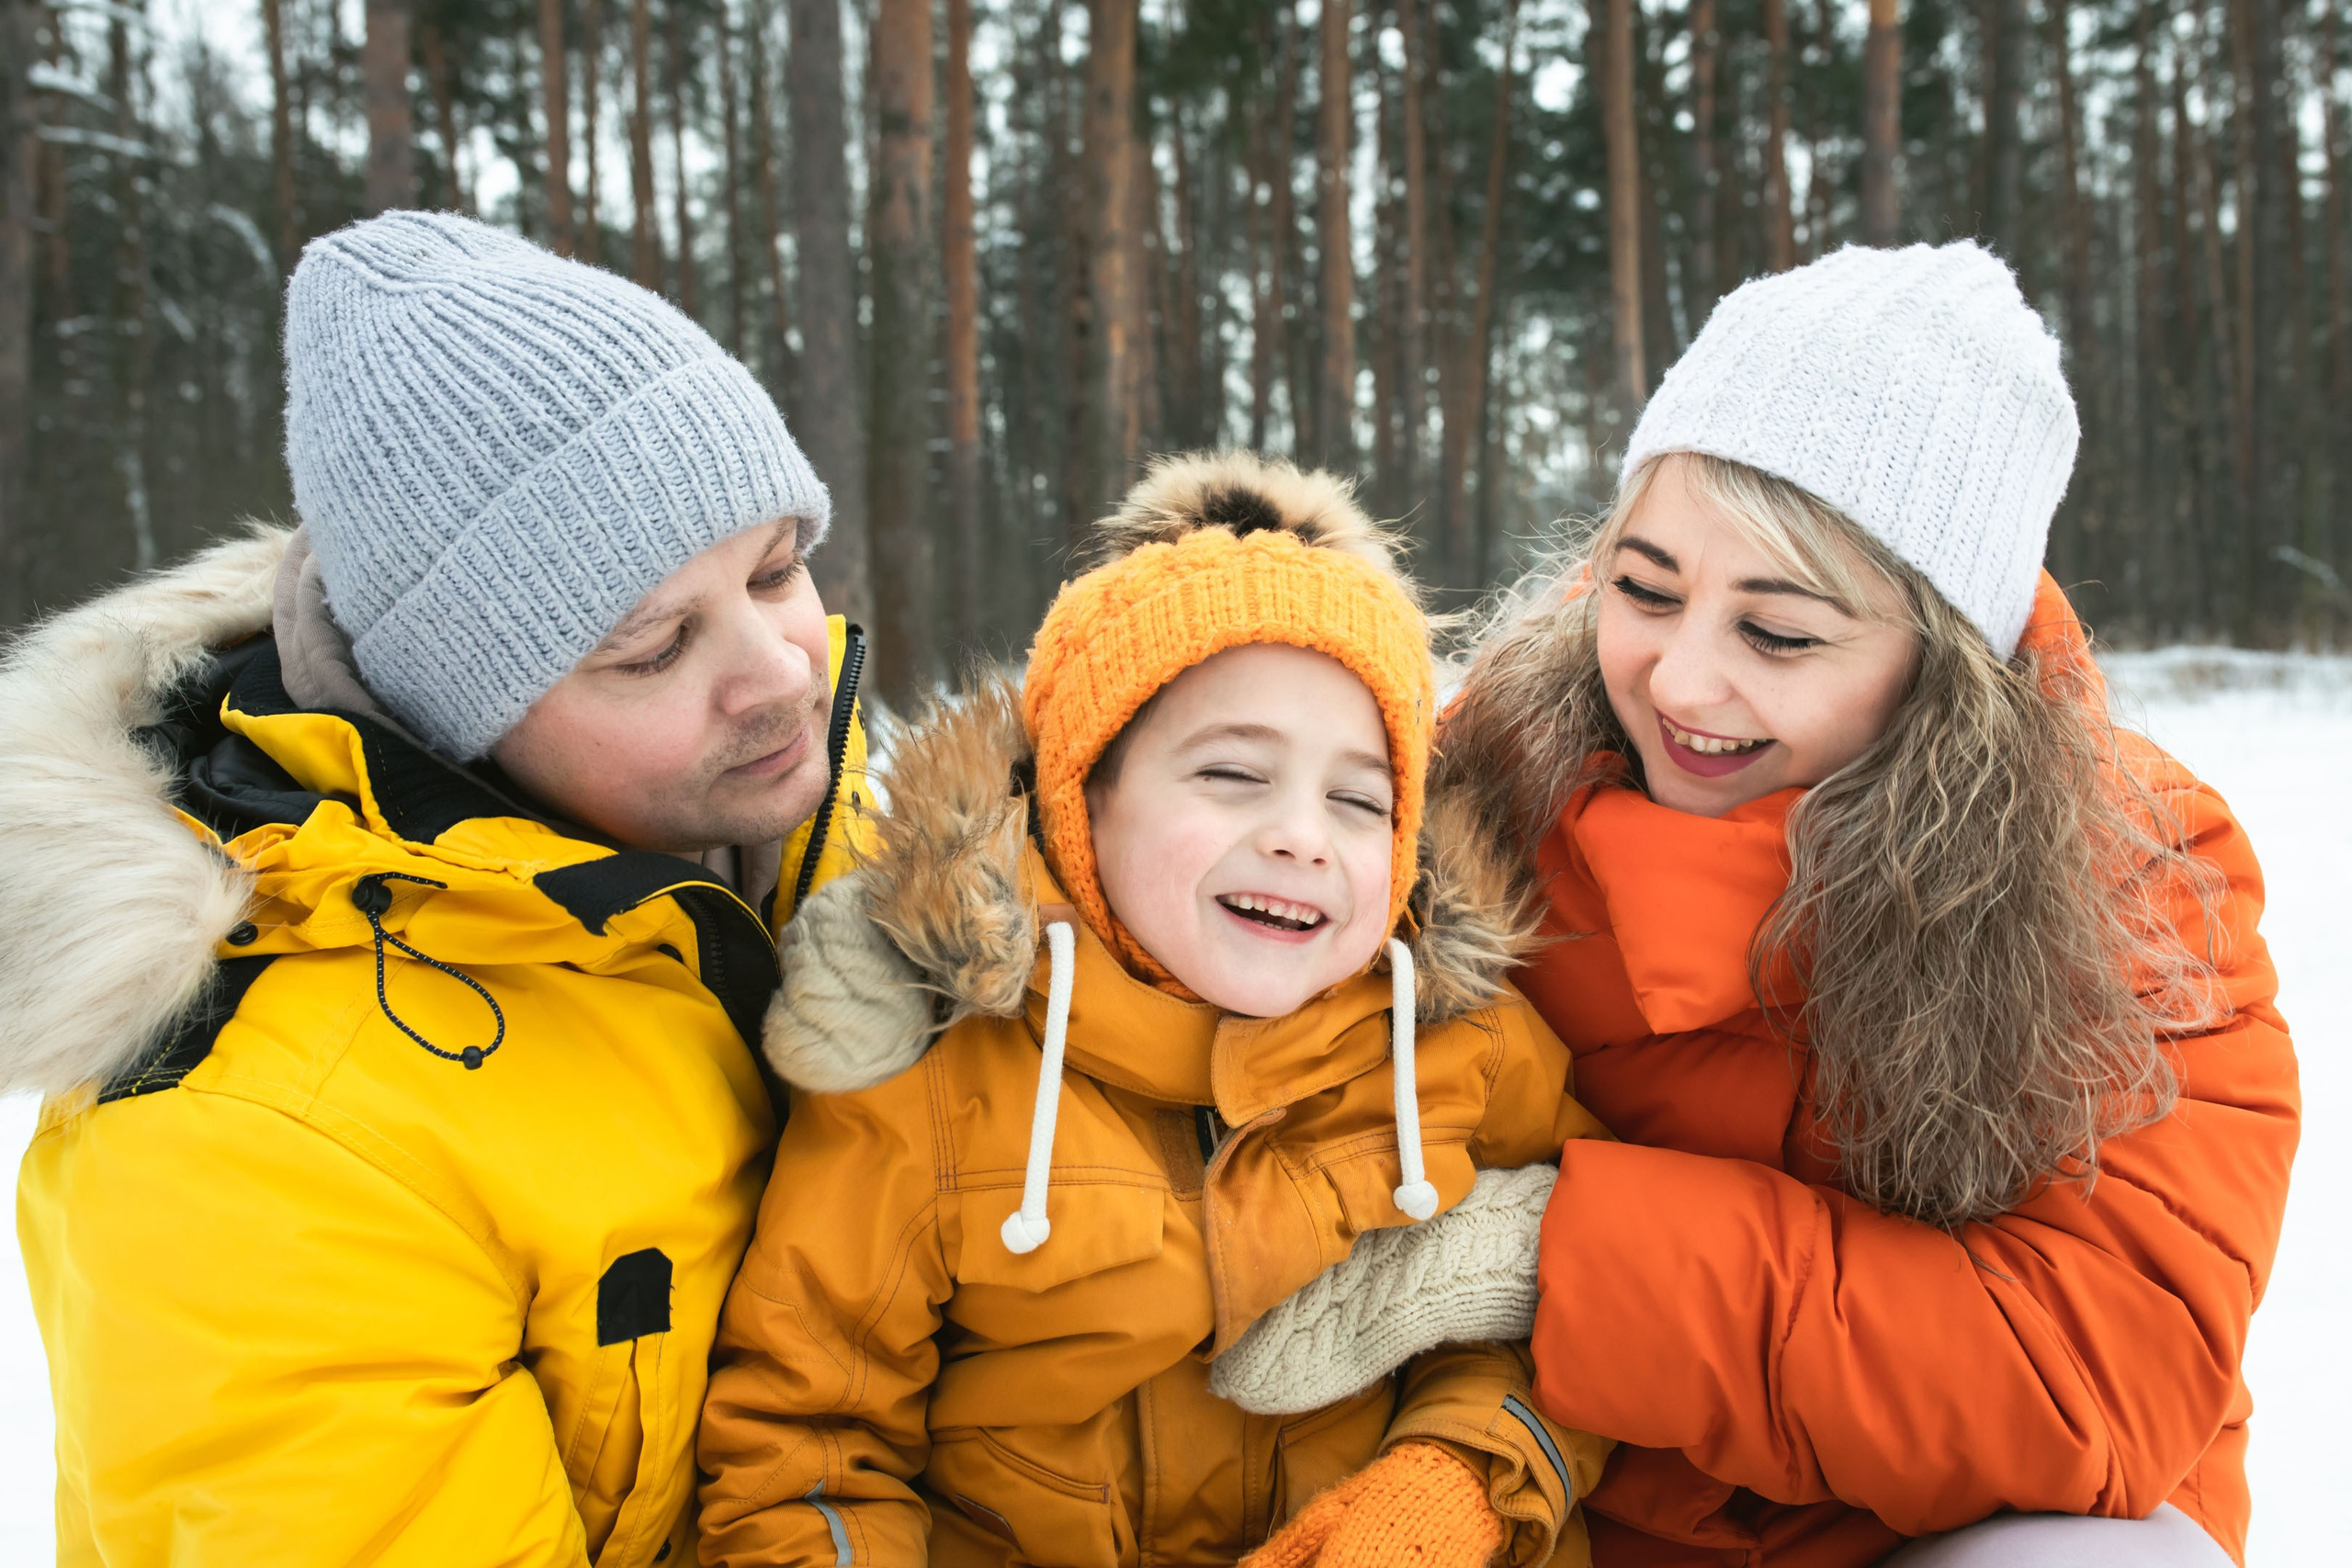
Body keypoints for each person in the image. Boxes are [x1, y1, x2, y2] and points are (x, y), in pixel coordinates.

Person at [1207, 243, 2300, 1566]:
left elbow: (2086, 1371)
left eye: (1777, 633)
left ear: (1947, 659)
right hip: (1560, 1505)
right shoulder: (1485, 777)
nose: (1679, 681)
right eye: (1646, 586)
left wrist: (1555, 1248)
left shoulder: (2132, 876)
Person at [0, 210, 875, 1565]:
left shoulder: (852, 844)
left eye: (775, 568)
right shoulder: (260, 1149)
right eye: (652, 647)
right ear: (459, 713)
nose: (780, 666)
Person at [695, 453, 1612, 1567]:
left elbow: (1580, 1304)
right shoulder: (935, 1078)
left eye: (1359, 799)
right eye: (1232, 774)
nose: (1301, 836)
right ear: (1084, 798)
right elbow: (812, 1447)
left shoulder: (1462, 1047)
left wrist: (1455, 1485)